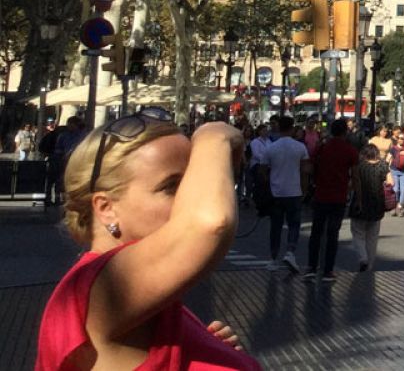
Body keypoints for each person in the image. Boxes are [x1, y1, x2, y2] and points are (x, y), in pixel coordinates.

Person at [37, 109, 259, 370]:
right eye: (172, 186)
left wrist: (207, 349)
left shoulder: (146, 299)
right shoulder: (89, 288)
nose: (190, 196)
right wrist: (213, 136)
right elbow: (209, 224)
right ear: (106, 207)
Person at [304, 117, 358, 282]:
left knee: (316, 233)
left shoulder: (322, 148)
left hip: (321, 194)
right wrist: (350, 189)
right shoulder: (350, 150)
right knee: (332, 234)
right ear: (345, 132)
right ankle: (328, 270)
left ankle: (311, 268)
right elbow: (355, 176)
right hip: (338, 196)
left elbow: (310, 168)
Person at [264, 115, 310, 271]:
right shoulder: (300, 147)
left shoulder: (271, 147)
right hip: (294, 190)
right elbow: (305, 171)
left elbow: (263, 170)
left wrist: (268, 185)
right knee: (294, 224)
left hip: (276, 191)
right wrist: (304, 190)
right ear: (292, 128)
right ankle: (290, 251)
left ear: (278, 128)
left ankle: (273, 258)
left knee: (275, 226)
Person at [348, 142, 388, 272]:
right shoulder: (383, 165)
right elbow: (391, 182)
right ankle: (369, 265)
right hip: (377, 203)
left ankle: (362, 258)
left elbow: (352, 184)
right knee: (372, 237)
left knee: (358, 233)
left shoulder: (359, 166)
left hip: (360, 202)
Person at [388, 133, 404, 217]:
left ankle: (399, 207)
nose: (400, 139)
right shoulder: (393, 148)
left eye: (402, 138)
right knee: (396, 189)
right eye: (399, 138)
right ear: (397, 139)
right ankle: (394, 206)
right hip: (394, 170)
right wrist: (387, 168)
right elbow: (388, 158)